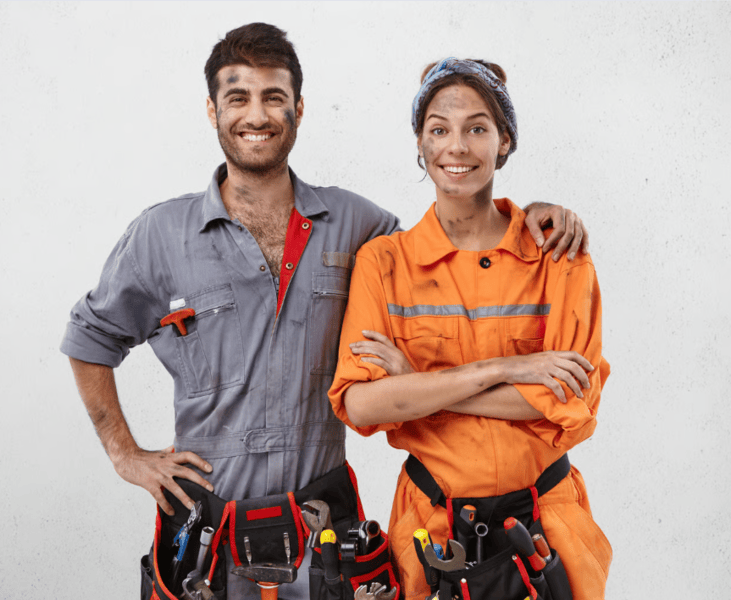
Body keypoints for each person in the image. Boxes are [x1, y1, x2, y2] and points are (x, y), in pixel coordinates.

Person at [61, 22, 589, 600]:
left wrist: (532, 215)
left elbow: (454, 232)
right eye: (237, 98)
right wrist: (126, 456)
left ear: (299, 109)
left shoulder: (358, 226)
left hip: (324, 532)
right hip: (207, 530)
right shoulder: (161, 235)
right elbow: (90, 338)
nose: (256, 115)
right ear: (212, 110)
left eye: (274, 97)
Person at [328, 58, 611, 600]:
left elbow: (570, 399)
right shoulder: (384, 263)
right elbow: (361, 405)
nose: (456, 147)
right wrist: (509, 368)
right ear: (420, 143)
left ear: (505, 142)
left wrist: (417, 385)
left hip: (548, 526)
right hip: (432, 529)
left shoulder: (559, 255)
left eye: (477, 128)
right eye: (439, 129)